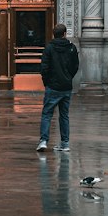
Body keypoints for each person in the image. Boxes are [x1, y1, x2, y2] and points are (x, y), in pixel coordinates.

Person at [36, 23, 79, 152]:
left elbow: (44, 68)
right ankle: (65, 143)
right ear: (65, 34)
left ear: (54, 34)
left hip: (53, 87)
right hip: (66, 87)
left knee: (47, 114)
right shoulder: (71, 48)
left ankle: (44, 141)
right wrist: (68, 78)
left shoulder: (49, 48)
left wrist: (47, 82)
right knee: (64, 115)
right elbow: (75, 66)